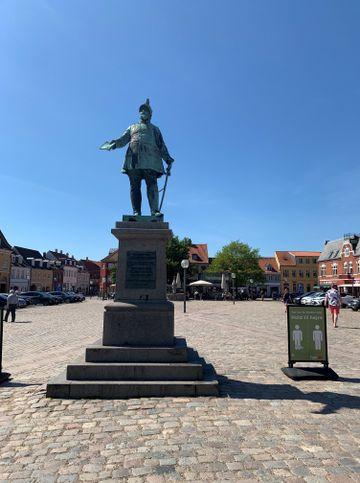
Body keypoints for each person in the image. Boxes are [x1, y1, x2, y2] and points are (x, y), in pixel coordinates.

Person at [108, 99, 174, 216]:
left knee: (152, 185)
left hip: (151, 161)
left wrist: (168, 159)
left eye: (146, 110)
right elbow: (123, 139)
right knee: (135, 187)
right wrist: (114, 144)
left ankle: (154, 211)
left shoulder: (155, 129)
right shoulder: (132, 127)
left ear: (150, 114)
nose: (143, 112)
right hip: (134, 160)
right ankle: (136, 212)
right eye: (141, 110)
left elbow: (161, 145)